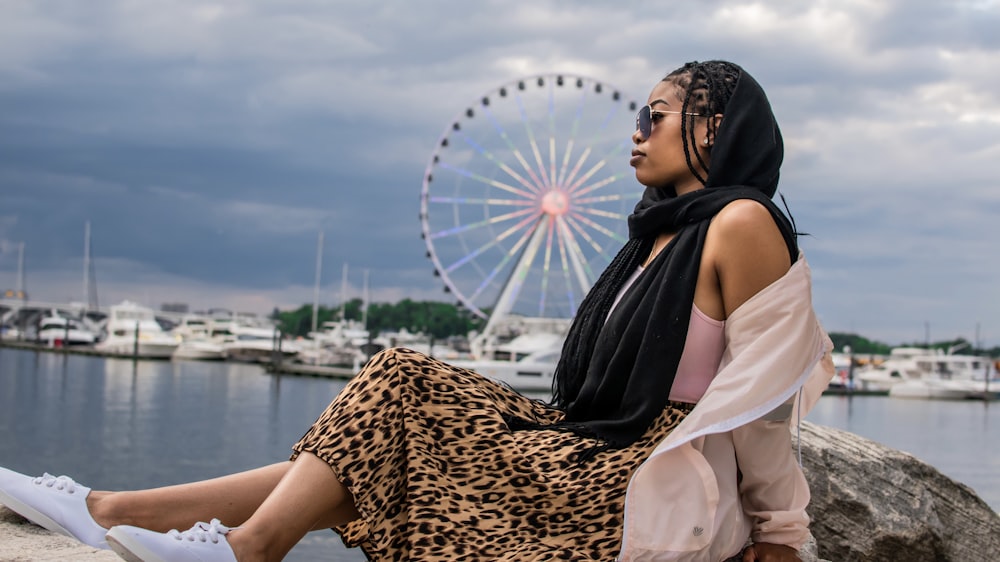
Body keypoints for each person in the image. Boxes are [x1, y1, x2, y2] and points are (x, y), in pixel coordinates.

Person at [0, 60, 833, 562]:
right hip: (589, 448)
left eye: (654, 116)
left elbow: (761, 405)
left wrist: (782, 534)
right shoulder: (653, 238)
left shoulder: (742, 224)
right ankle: (112, 508)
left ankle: (229, 542)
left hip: (637, 479)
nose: (635, 133)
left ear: (714, 127)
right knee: (393, 402)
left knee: (399, 396)